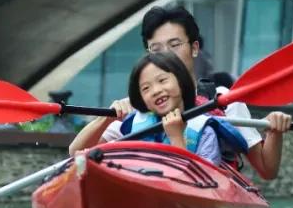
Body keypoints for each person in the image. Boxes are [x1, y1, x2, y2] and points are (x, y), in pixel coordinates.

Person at [94, 5, 293, 179]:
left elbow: (267, 170)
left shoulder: (223, 98)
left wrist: (274, 132)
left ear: (194, 48)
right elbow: (88, 155)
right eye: (156, 49)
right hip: (149, 180)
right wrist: (107, 118)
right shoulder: (138, 103)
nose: (166, 55)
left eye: (175, 45)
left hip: (211, 186)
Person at [68, 52, 249, 166]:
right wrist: (106, 118)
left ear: (181, 81)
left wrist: (176, 137)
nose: (156, 91)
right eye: (146, 88)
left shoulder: (205, 131)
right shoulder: (133, 124)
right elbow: (76, 150)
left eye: (162, 80)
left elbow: (201, 183)